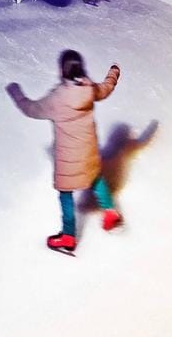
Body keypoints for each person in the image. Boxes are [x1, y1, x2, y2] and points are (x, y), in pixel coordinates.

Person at [7, 49, 122, 254]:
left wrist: (16, 92)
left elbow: (31, 109)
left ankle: (68, 235)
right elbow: (106, 88)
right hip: (89, 151)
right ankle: (110, 212)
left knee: (66, 194)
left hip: (68, 158)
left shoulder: (57, 98)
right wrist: (113, 72)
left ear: (62, 70)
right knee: (95, 178)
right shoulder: (89, 88)